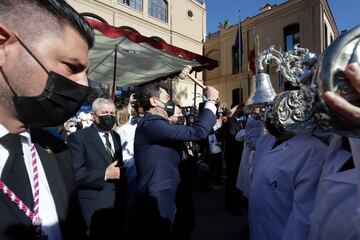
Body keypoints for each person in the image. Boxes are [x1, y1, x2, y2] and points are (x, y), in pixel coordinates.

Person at [0, 1, 94, 239]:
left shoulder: (57, 151)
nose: (84, 85)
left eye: (86, 74)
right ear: (2, 47)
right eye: (72, 67)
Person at [133, 82, 219, 240]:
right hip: (158, 196)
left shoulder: (159, 123)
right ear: (154, 101)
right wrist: (211, 101)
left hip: (173, 191)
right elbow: (199, 131)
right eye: (167, 98)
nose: (171, 102)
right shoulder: (151, 123)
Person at [247, 116, 328, 240]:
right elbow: (251, 141)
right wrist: (254, 116)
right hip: (257, 228)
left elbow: (303, 217)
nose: (272, 115)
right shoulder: (266, 139)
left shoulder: (313, 151)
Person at [67, 98, 125, 239]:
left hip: (116, 204)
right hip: (93, 205)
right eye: (105, 112)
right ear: (93, 116)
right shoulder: (78, 138)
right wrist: (104, 174)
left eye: (112, 113)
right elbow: (76, 173)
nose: (109, 116)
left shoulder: (116, 136)